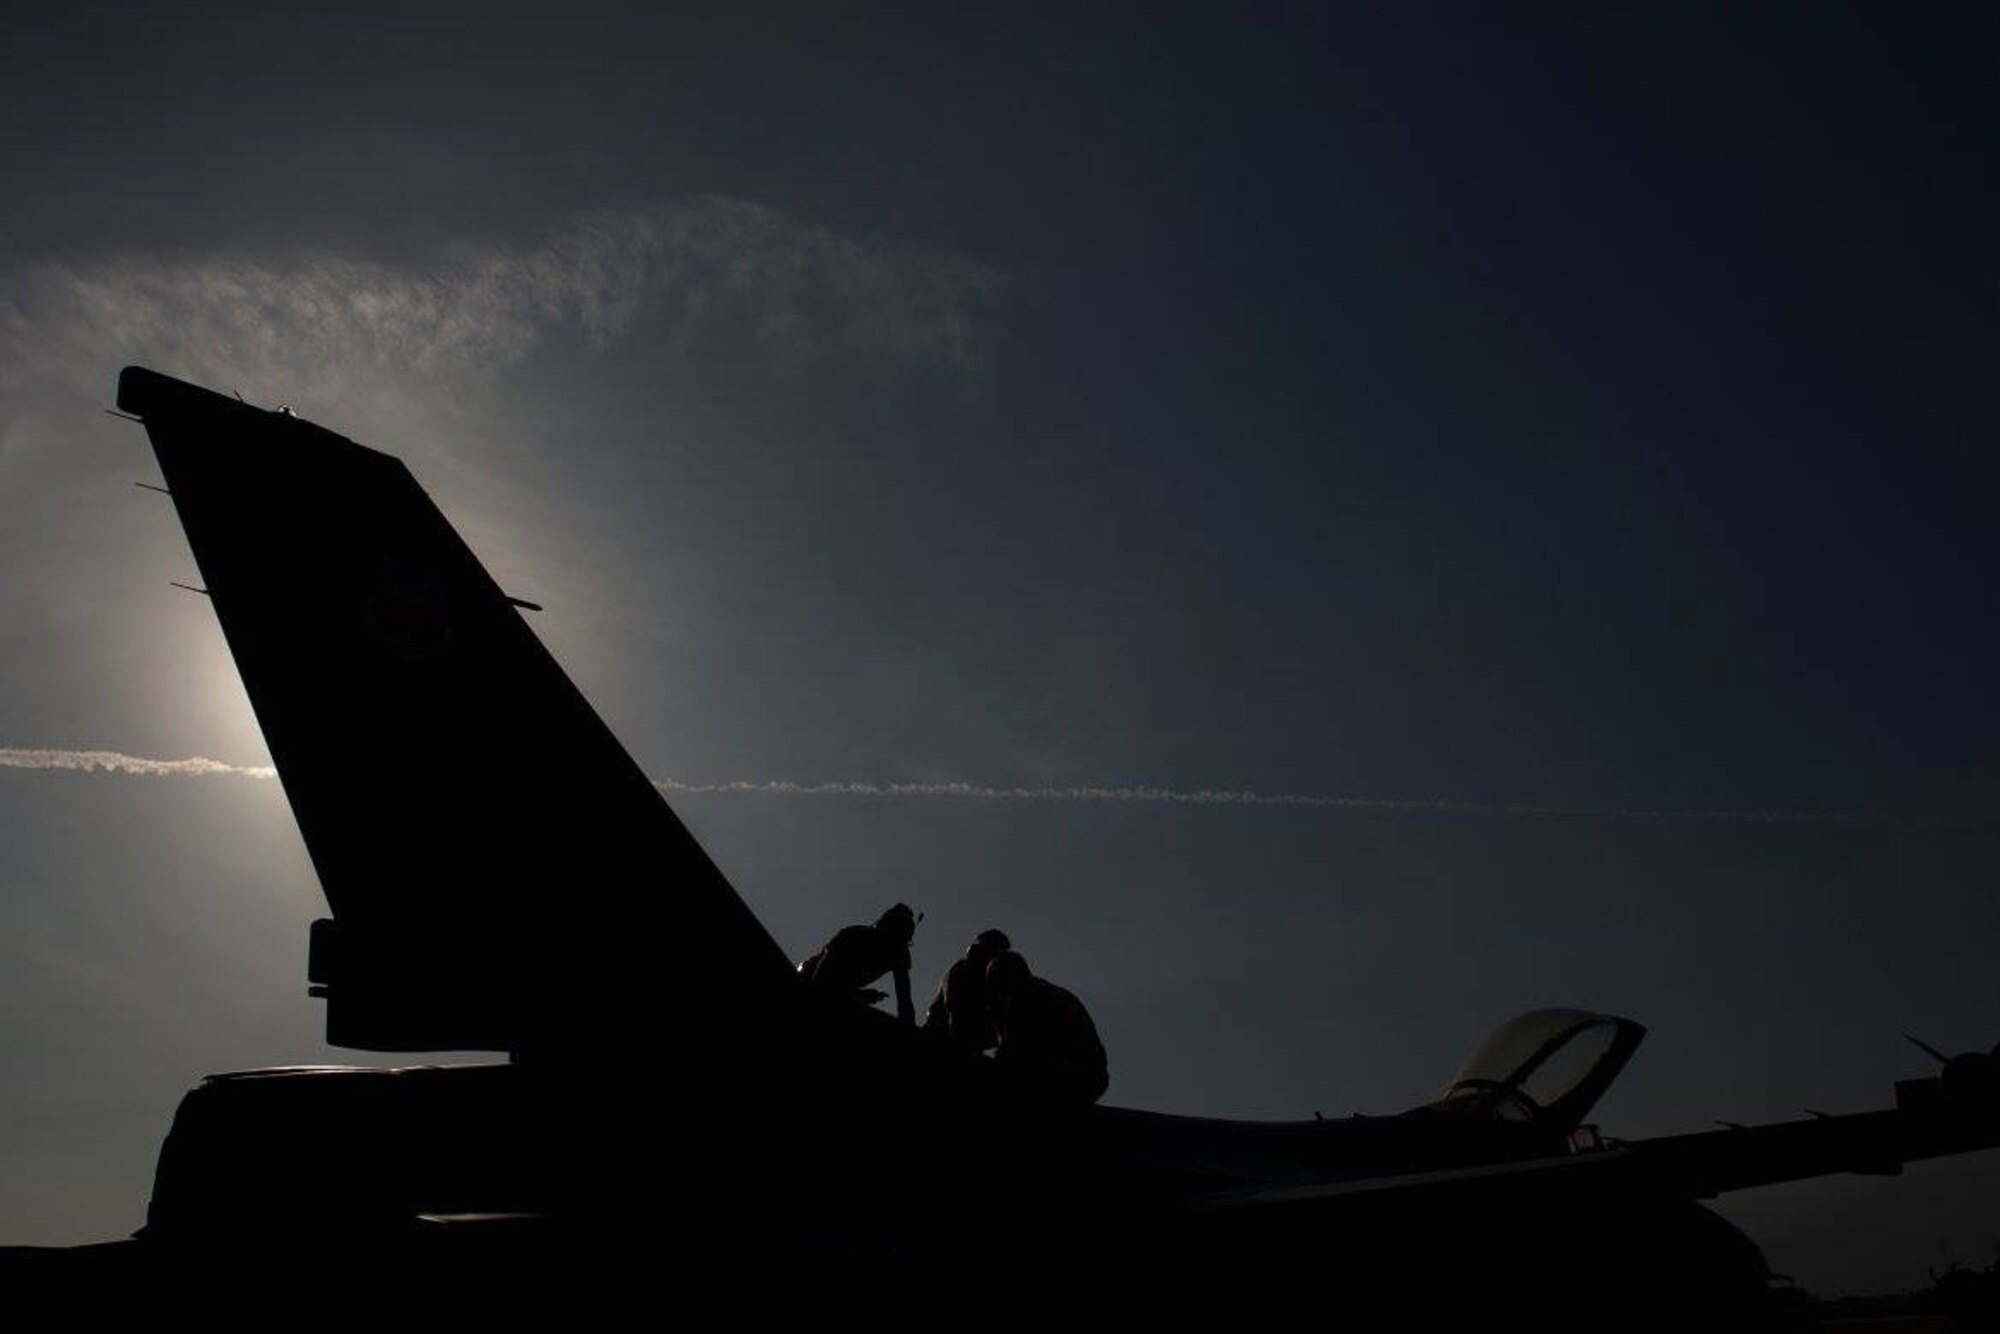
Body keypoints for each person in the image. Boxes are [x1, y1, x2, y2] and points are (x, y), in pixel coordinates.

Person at [984, 950, 1108, 1104]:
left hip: (1069, 1079)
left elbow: (1012, 1053)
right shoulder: (1045, 993)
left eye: (994, 986)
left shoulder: (1024, 999)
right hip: (1088, 1078)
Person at [798, 903, 918, 1024]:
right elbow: (821, 980)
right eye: (900, 940)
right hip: (808, 975)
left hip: (834, 989)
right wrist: (857, 995)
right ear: (887, 931)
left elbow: (904, 999)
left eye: (907, 941)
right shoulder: (853, 935)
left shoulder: (899, 954)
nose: (903, 946)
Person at [921, 928, 1011, 1051]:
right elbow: (955, 1012)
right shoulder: (962, 970)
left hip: (968, 1040)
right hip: (940, 1038)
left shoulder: (990, 981)